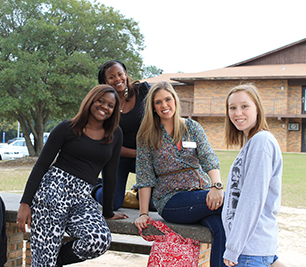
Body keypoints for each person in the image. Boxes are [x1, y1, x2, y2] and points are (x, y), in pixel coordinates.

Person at [16, 84, 124, 266]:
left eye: (110, 105)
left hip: (82, 198)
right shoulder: (68, 127)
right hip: (52, 193)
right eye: (101, 101)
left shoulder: (115, 134)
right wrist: (25, 203)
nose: (105, 107)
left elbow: (111, 174)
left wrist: (108, 211)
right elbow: (41, 165)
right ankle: (44, 260)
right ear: (91, 100)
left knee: (98, 240)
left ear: (114, 110)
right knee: (44, 260)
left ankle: (47, 261)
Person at [134, 81, 226, 267]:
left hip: (202, 192)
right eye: (158, 102)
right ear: (153, 107)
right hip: (171, 200)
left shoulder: (192, 127)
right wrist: (144, 213)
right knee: (233, 202)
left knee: (220, 228)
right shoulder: (147, 135)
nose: (164, 105)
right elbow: (144, 176)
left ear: (175, 100)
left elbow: (208, 157)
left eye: (167, 99)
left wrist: (216, 186)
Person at [223, 84, 284, 267]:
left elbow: (252, 199)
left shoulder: (261, 142)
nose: (237, 113)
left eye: (244, 106)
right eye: (232, 108)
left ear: (257, 108)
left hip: (248, 252)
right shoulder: (252, 143)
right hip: (253, 248)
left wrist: (234, 248)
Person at [93, 59, 151, 211]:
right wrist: (139, 153)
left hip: (148, 157)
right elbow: (107, 142)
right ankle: (94, 186)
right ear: (105, 81)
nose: (117, 79)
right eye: (111, 77)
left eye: (120, 74)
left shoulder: (143, 91)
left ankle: (138, 191)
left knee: (156, 203)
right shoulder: (103, 104)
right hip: (118, 157)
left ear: (125, 74)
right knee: (112, 204)